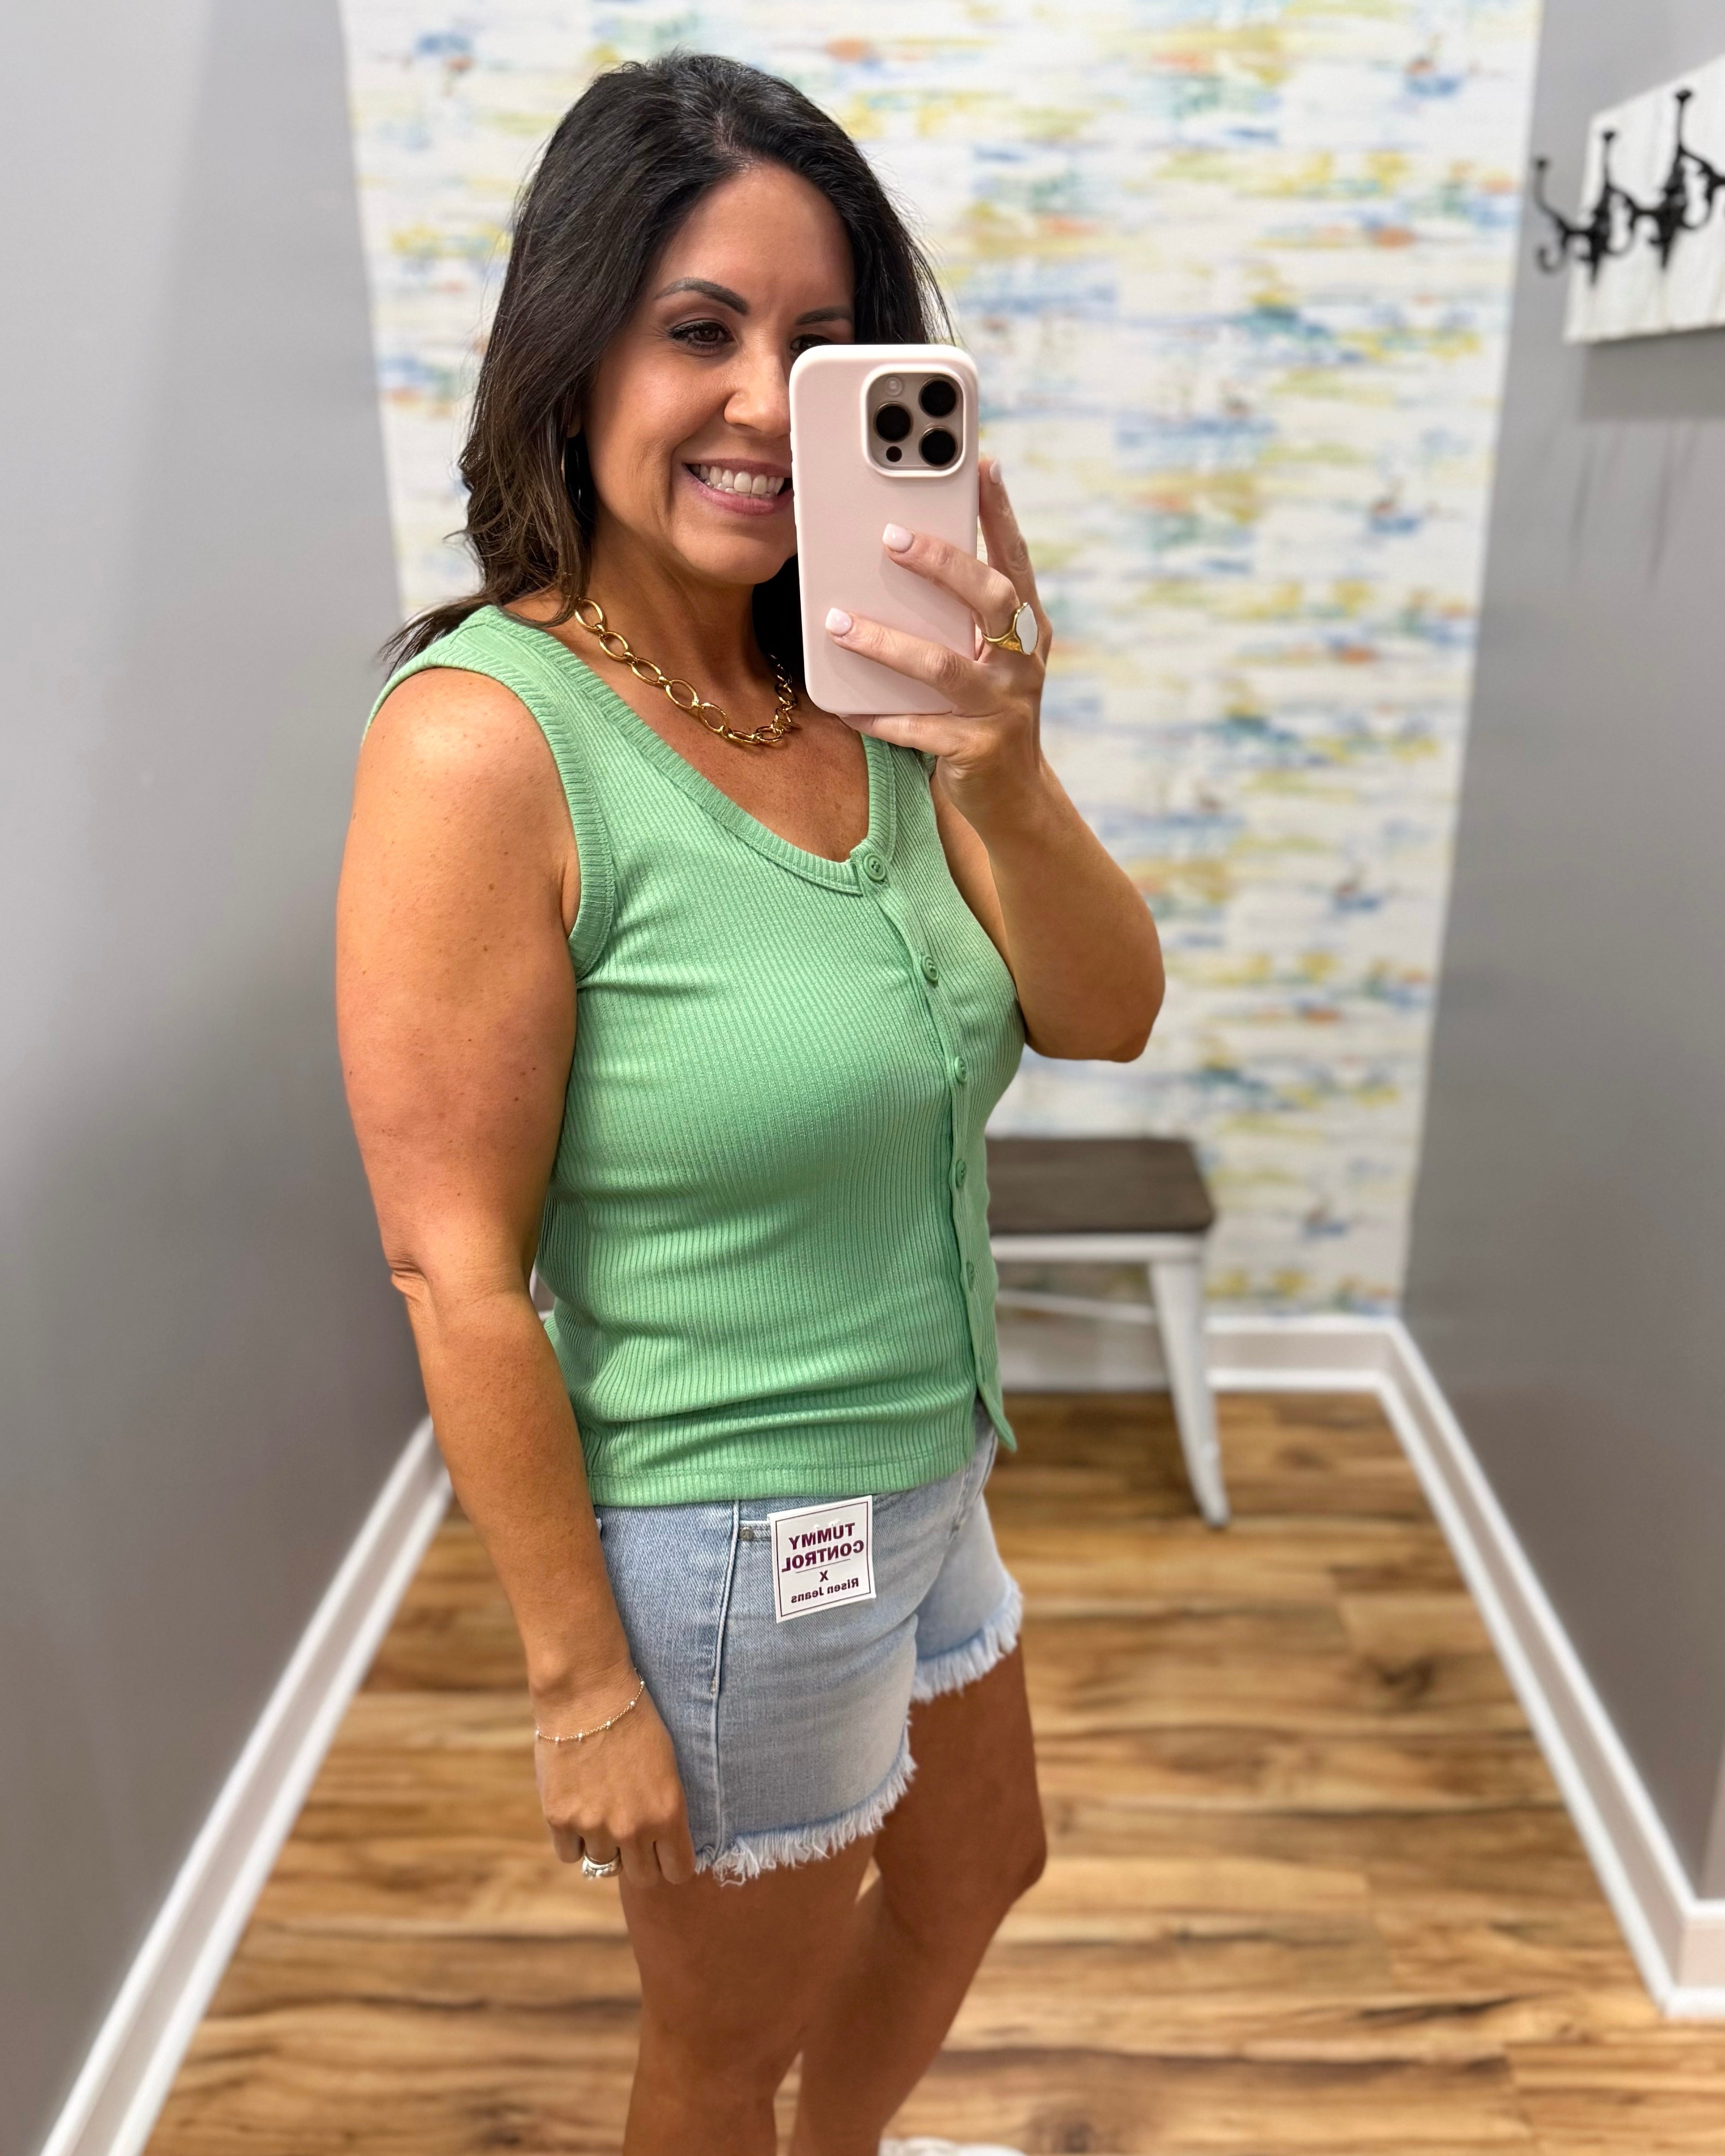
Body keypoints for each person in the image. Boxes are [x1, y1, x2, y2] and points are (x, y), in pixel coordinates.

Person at [337, 50, 1163, 2156]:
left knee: (979, 1874)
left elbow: (1105, 1015)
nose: (759, 403)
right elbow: (453, 1270)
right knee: (720, 2048)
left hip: (929, 1461)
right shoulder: (481, 747)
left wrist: (1008, 761)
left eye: (818, 347)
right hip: (729, 1533)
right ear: (574, 352)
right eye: (697, 329)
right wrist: (578, 1684)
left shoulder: (863, 684)